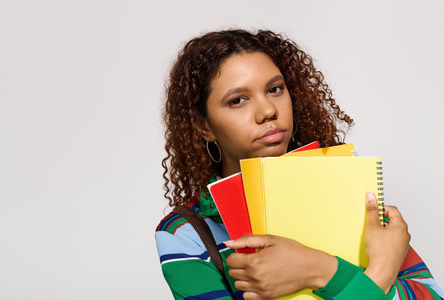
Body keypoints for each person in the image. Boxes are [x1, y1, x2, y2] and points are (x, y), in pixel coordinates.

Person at [155, 29, 443, 300]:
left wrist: (320, 268)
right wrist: (379, 272)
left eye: (275, 89)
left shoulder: (350, 194)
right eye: (238, 100)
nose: (268, 110)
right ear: (204, 126)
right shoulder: (184, 233)